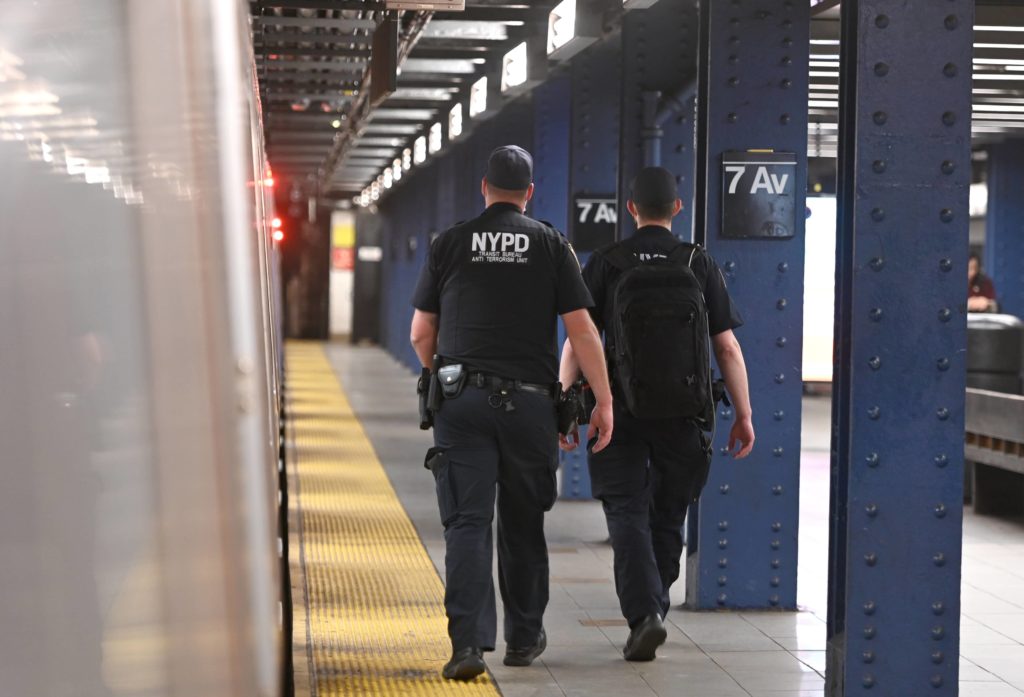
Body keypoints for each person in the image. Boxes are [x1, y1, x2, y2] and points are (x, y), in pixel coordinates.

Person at [409, 145, 614, 681]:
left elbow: (420, 333)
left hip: (463, 401)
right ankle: (524, 638)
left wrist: (443, 375)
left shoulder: (450, 243)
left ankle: (469, 647)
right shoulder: (551, 244)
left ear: (484, 187)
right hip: (529, 405)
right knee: (523, 523)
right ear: (529, 193)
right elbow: (583, 330)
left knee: (467, 523)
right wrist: (603, 399)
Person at [558, 166, 755, 661]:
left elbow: (578, 342)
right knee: (669, 512)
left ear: (631, 209)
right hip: (686, 413)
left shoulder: (606, 261)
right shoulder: (697, 262)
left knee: (625, 511)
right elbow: (727, 347)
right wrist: (745, 414)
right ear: (677, 208)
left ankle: (643, 614)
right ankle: (657, 609)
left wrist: (564, 405)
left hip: (618, 411)